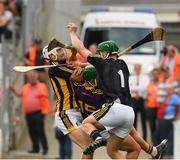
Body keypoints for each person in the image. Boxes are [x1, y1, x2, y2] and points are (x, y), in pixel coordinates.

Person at [67, 22, 144, 159]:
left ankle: (97, 138)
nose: (100, 55)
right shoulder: (123, 64)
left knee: (86, 123)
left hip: (115, 108)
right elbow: (106, 68)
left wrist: (72, 32)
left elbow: (80, 47)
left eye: (101, 52)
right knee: (112, 151)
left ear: (106, 53)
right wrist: (84, 64)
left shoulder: (102, 63)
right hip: (129, 113)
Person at [72, 65, 168, 159]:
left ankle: (153, 151)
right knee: (133, 146)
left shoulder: (77, 89)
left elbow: (72, 77)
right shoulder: (101, 92)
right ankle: (153, 151)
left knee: (132, 135)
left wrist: (79, 67)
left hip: (93, 126)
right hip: (103, 126)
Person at [41, 39, 94, 159]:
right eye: (58, 51)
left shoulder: (65, 65)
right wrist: (84, 66)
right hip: (66, 112)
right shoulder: (55, 70)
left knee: (91, 145)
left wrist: (80, 63)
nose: (62, 52)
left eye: (61, 49)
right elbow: (79, 78)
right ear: (51, 56)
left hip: (78, 110)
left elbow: (76, 68)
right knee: (88, 146)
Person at [9, 71, 50, 155]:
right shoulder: (26, 86)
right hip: (28, 113)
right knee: (31, 131)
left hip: (38, 112)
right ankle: (35, 148)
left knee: (39, 130)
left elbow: (46, 96)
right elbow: (20, 94)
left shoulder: (41, 86)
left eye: (33, 77)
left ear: (36, 77)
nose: (31, 78)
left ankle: (45, 148)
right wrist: (13, 89)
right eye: (30, 77)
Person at [129, 63, 148, 140]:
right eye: (136, 69)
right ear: (134, 69)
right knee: (134, 121)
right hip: (133, 100)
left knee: (144, 120)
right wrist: (138, 88)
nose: (137, 70)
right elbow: (129, 88)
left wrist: (135, 88)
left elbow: (145, 88)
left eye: (138, 69)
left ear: (140, 69)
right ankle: (135, 138)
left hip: (142, 99)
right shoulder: (131, 78)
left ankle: (145, 138)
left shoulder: (145, 78)